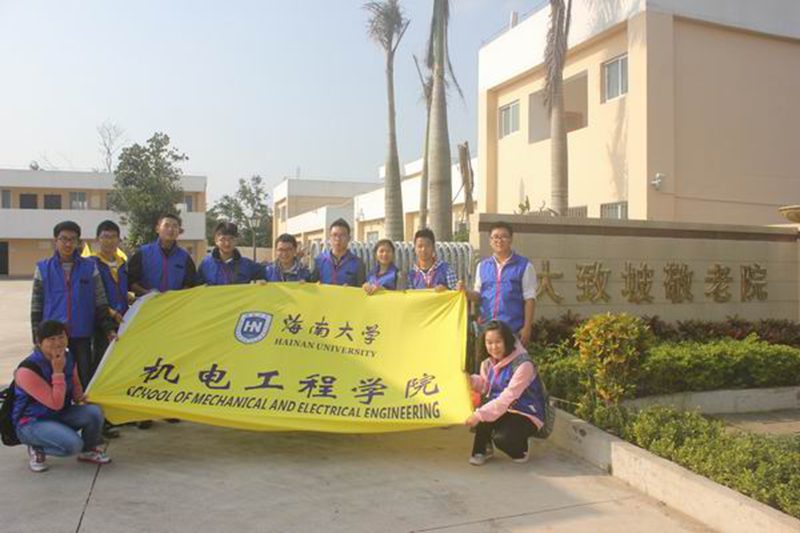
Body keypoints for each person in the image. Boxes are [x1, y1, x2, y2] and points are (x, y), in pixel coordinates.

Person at [13, 320, 112, 473]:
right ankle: (38, 448)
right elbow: (56, 403)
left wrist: (82, 397)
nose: (58, 342)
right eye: (51, 339)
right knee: (73, 445)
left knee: (94, 412)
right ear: (39, 342)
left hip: (58, 414)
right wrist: (57, 371)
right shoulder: (27, 370)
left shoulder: (67, 356)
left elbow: (75, 384)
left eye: (61, 337)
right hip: (32, 422)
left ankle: (88, 451)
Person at [30, 221, 116, 390]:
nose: (68, 244)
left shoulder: (90, 267)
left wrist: (109, 329)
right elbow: (36, 305)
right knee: (52, 379)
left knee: (83, 379)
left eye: (72, 239)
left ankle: (82, 406)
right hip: (52, 336)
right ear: (56, 241)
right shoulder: (43, 268)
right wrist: (36, 336)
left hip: (81, 334)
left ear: (78, 242)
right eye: (63, 239)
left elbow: (100, 301)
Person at [465, 320, 547, 466]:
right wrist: (470, 381)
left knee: (502, 439)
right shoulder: (488, 363)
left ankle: (521, 448)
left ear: (507, 341)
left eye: (498, 342)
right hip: (504, 409)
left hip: (525, 412)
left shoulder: (523, 365)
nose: (494, 347)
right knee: (485, 411)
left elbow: (508, 397)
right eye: (489, 342)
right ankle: (482, 449)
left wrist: (479, 415)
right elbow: (486, 387)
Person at [86, 219, 130, 438]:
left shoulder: (123, 264)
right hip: (101, 324)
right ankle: (99, 420)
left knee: (118, 368)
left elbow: (125, 291)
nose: (109, 241)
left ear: (119, 240)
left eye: (113, 237)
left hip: (124, 323)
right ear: (97, 239)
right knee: (100, 369)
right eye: (105, 236)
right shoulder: (90, 264)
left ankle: (115, 415)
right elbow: (93, 296)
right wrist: (111, 314)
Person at [463, 221, 538, 345]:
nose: (499, 240)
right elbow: (478, 295)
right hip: (487, 329)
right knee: (487, 358)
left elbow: (530, 299)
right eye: (495, 237)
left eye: (504, 237)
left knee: (513, 358)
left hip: (512, 329)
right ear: (490, 241)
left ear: (511, 239)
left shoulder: (524, 265)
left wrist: (527, 328)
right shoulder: (482, 266)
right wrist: (465, 292)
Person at [128, 213, 196, 296]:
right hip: (148, 302)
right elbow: (131, 282)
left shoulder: (185, 257)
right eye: (166, 225)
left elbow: (190, 284)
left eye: (175, 226)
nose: (170, 229)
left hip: (175, 302)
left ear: (179, 231)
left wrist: (176, 296)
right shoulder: (142, 253)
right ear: (157, 229)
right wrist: (148, 294)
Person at [197, 221, 264, 285]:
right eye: (223, 239)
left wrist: (262, 282)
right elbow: (196, 286)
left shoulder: (247, 265)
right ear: (216, 241)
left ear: (236, 240)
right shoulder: (206, 264)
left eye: (231, 239)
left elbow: (268, 273)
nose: (227, 243)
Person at [310, 219, 366, 287]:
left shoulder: (357, 263)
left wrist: (351, 289)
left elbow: (362, 288)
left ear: (349, 238)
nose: (338, 239)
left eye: (342, 235)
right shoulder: (320, 260)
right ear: (330, 238)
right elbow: (311, 284)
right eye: (334, 235)